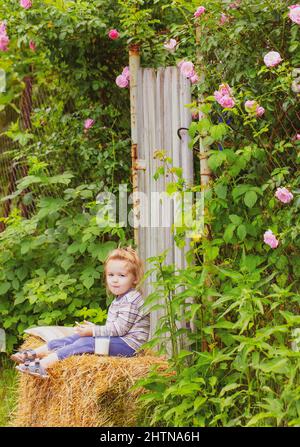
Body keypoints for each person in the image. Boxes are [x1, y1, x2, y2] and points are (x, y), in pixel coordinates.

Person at [12, 247, 150, 378]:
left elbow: (119, 330)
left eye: (121, 275)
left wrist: (93, 330)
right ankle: (33, 354)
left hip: (130, 346)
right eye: (111, 275)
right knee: (74, 338)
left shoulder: (131, 299)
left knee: (86, 342)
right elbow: (115, 327)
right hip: (120, 340)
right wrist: (93, 327)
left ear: (135, 278)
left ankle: (42, 365)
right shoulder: (120, 298)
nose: (114, 279)